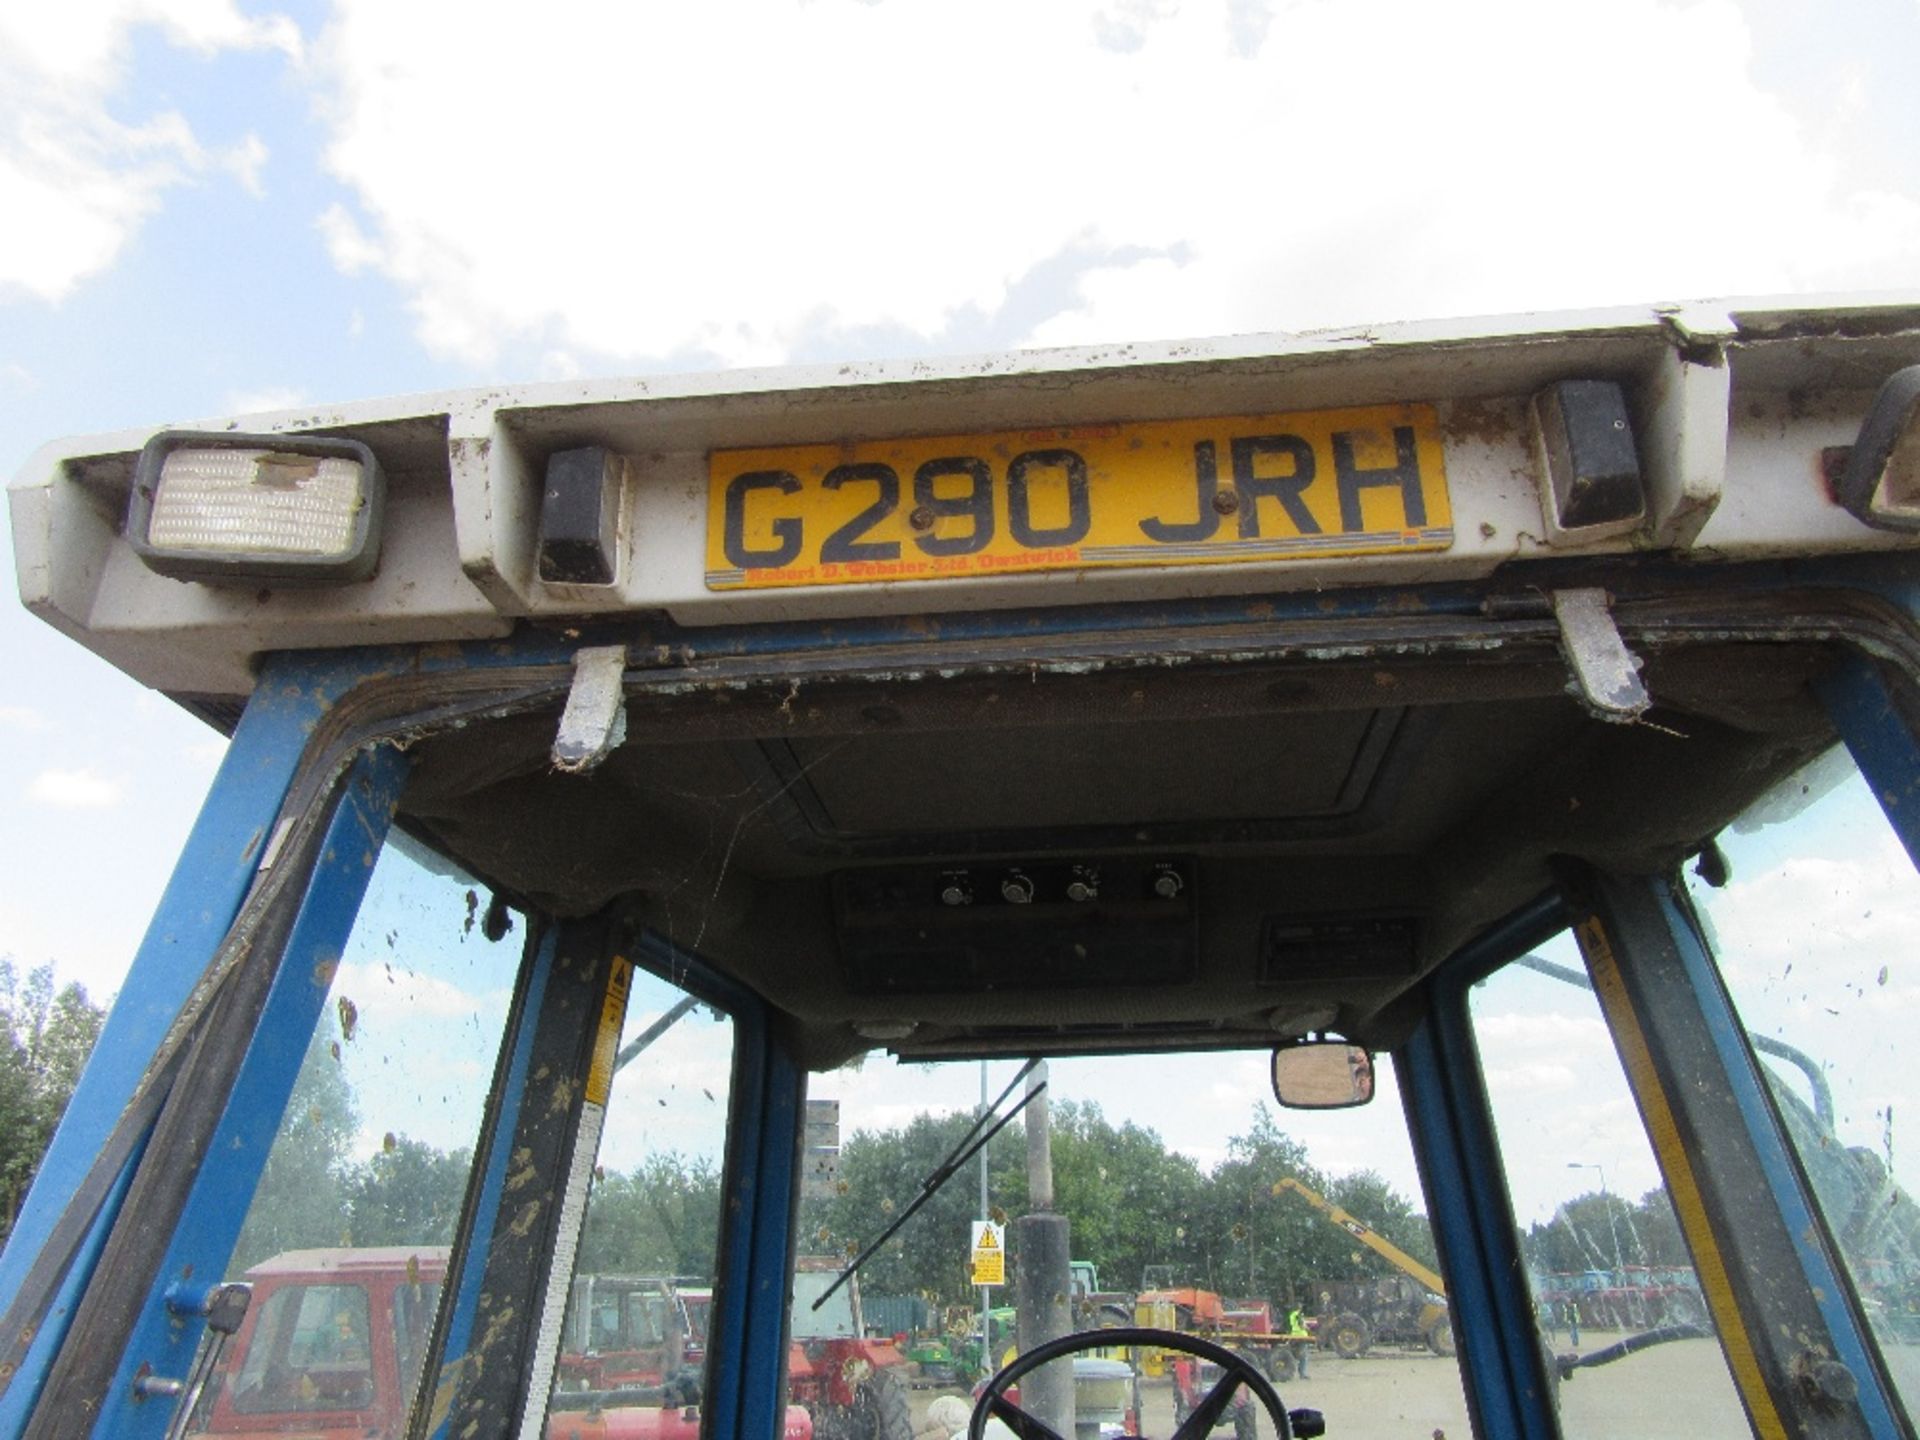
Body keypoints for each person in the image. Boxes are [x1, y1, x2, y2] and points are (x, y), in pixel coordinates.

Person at [1286, 1304, 1311, 1379]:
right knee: (1304, 1356)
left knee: (1294, 1353)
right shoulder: (1299, 1315)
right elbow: (1301, 1325)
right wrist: (1308, 1329)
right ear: (1299, 1308)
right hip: (1301, 1336)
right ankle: (1302, 1373)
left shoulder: (1292, 1315)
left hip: (1294, 1335)